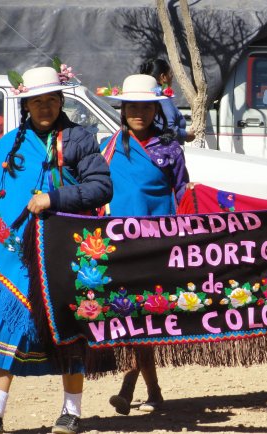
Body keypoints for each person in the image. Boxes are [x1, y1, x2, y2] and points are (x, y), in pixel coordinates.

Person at [0, 65, 112, 434]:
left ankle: (71, 411)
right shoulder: (9, 144)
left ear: (61, 101)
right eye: (36, 102)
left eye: (51, 100)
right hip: (13, 255)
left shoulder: (79, 140)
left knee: (68, 326)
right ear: (26, 105)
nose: (44, 108)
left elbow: (101, 188)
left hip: (64, 250)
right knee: (6, 323)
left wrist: (53, 197)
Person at [100, 74, 189, 415]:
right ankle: (152, 391)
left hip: (157, 244)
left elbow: (183, 194)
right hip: (118, 244)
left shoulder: (169, 150)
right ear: (123, 110)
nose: (138, 112)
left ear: (156, 108)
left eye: (145, 106)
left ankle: (129, 386)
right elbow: (97, 193)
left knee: (144, 315)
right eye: (131, 106)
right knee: (134, 316)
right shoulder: (107, 149)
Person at [139, 59, 195, 144]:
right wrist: (186, 135)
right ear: (163, 77)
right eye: (170, 75)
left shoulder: (146, 93)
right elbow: (168, 127)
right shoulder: (161, 97)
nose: (172, 78)